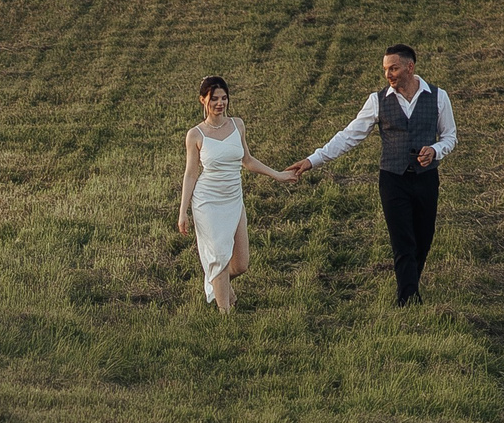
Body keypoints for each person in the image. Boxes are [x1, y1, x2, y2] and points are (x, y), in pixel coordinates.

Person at [290, 44, 458, 305]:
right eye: (385, 70)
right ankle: (409, 300)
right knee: (403, 241)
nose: (388, 74)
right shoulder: (377, 101)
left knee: (423, 240)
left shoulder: (438, 97)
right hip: (393, 179)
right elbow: (348, 136)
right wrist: (313, 160)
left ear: (409, 67)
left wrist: (435, 151)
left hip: (426, 179)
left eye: (393, 68)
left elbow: (450, 136)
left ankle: (410, 285)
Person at [177, 75, 298, 313]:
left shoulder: (237, 125)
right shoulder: (196, 135)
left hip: (233, 199)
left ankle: (217, 283)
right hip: (207, 202)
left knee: (241, 264)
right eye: (214, 99)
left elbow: (247, 160)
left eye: (224, 98)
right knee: (219, 256)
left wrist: (278, 175)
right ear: (203, 100)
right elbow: (191, 174)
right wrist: (183, 212)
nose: (220, 103)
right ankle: (226, 316)